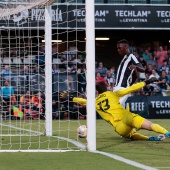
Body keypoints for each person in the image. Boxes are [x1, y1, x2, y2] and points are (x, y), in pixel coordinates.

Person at [60, 77, 170, 141]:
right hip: (126, 117)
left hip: (119, 128)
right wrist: (146, 82)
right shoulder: (114, 93)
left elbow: (84, 101)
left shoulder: (94, 102)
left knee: (130, 135)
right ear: (107, 88)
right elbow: (131, 89)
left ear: (97, 92)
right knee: (150, 125)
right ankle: (167, 133)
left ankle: (150, 139)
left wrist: (72, 98)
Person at [114, 39, 145, 107]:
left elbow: (143, 69)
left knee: (116, 108)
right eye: (117, 48)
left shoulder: (131, 56)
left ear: (126, 47)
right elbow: (135, 75)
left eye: (120, 48)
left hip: (123, 88)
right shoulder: (124, 58)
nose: (118, 50)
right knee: (118, 111)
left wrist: (136, 67)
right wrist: (130, 84)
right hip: (117, 88)